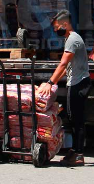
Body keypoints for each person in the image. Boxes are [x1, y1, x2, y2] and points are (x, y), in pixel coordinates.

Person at [38, 9, 90, 167]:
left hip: (78, 84)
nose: (55, 30)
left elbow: (63, 64)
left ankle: (78, 154)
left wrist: (50, 83)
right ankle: (75, 151)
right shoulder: (71, 38)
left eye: (57, 27)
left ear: (65, 24)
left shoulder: (72, 40)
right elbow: (65, 67)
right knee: (73, 118)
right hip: (76, 82)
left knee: (77, 119)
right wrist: (53, 81)